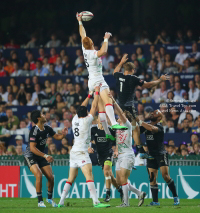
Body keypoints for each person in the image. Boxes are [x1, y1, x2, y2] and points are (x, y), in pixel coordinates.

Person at [58, 86, 110, 208]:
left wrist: (88, 95)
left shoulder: (74, 120)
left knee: (70, 178)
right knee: (89, 176)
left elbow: (82, 107)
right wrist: (96, 93)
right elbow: (94, 107)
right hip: (81, 152)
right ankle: (96, 202)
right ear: (85, 113)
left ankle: (60, 202)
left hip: (74, 151)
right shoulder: (86, 120)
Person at [76, 13, 127, 131]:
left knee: (101, 107)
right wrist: (106, 39)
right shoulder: (92, 53)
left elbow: (82, 33)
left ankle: (105, 130)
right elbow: (104, 51)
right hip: (97, 80)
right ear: (92, 43)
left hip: (92, 80)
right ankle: (113, 123)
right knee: (108, 100)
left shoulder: (85, 48)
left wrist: (80, 21)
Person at [113, 54, 169, 156]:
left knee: (123, 126)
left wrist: (121, 62)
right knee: (135, 128)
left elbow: (114, 71)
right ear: (133, 69)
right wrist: (160, 80)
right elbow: (148, 85)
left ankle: (122, 149)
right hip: (128, 106)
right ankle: (140, 150)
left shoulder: (119, 75)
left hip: (119, 106)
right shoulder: (133, 78)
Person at [24, 110, 68, 207]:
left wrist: (63, 135)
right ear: (39, 118)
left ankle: (49, 199)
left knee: (51, 177)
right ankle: (40, 202)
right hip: (30, 155)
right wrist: (45, 155)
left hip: (41, 155)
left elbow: (56, 136)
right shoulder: (34, 131)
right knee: (39, 175)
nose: (44, 115)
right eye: (42, 114)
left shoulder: (47, 128)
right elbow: (32, 148)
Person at [108, 93, 146, 207]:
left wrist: (113, 101)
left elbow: (119, 112)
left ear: (126, 119)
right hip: (120, 155)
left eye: (122, 116)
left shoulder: (127, 125)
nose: (119, 117)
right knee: (119, 182)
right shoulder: (118, 128)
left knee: (124, 179)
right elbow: (118, 140)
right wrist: (116, 150)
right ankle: (139, 193)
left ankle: (126, 203)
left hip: (128, 155)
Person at [136, 109, 179, 205]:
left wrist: (140, 121)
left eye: (155, 113)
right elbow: (136, 131)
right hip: (150, 154)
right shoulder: (146, 125)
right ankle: (155, 202)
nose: (152, 113)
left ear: (159, 118)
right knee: (152, 178)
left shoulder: (159, 126)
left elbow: (152, 129)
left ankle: (176, 196)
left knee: (165, 176)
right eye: (152, 112)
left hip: (161, 154)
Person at [88, 116, 123, 202]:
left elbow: (117, 140)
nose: (102, 119)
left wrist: (116, 151)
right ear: (97, 120)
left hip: (108, 153)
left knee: (106, 171)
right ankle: (120, 189)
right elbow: (86, 138)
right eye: (100, 117)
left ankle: (107, 194)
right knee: (110, 175)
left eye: (104, 117)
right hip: (100, 155)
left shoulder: (110, 130)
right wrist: (88, 147)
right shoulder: (93, 130)